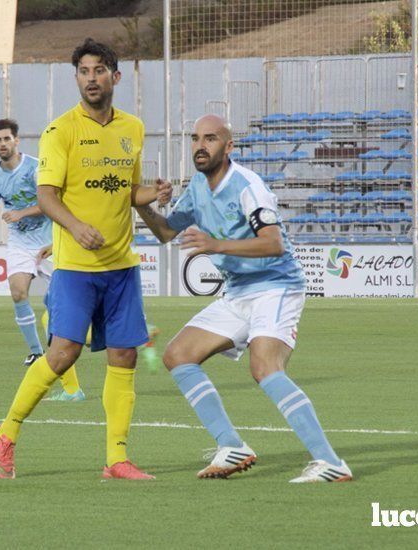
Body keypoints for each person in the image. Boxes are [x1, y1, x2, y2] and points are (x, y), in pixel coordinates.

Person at [134, 114, 353, 483]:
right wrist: (143, 203)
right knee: (177, 355)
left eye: (210, 139)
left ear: (229, 146)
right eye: (195, 139)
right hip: (237, 291)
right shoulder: (198, 190)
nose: (200, 146)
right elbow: (165, 232)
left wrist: (215, 244)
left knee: (264, 366)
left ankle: (330, 462)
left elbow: (273, 243)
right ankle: (231, 445)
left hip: (276, 286)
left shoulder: (248, 185)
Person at [0, 38, 171, 480]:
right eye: (84, 71)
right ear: (77, 79)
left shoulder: (133, 128)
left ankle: (116, 459)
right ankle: (6, 432)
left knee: (125, 356)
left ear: (115, 76)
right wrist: (75, 227)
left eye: (99, 70)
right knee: (63, 353)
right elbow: (46, 196)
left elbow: (126, 190)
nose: (91, 78)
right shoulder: (60, 131)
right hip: (75, 266)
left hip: (122, 265)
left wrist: (153, 194)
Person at [0, 118, 85, 401]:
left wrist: (21, 213)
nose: (2, 144)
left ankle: (73, 381)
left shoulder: (35, 167)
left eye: (7, 139)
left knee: (61, 310)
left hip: (49, 241)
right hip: (20, 243)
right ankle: (36, 353)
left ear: (17, 140)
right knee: (18, 291)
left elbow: (51, 202)